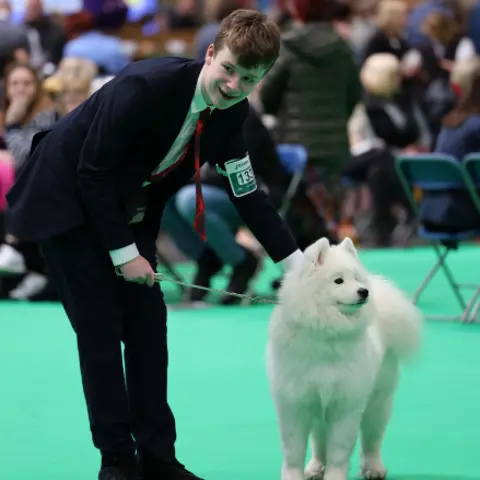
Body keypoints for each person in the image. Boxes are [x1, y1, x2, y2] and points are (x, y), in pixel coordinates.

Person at [6, 9, 303, 480]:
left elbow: (250, 197)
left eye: (248, 79)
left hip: (126, 205)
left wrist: (299, 267)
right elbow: (92, 174)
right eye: (227, 69)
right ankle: (117, 462)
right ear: (210, 54)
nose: (232, 86)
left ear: (262, 78)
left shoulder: (233, 115)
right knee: (101, 333)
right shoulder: (145, 86)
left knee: (149, 332)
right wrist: (125, 254)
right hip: (65, 201)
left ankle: (160, 460)